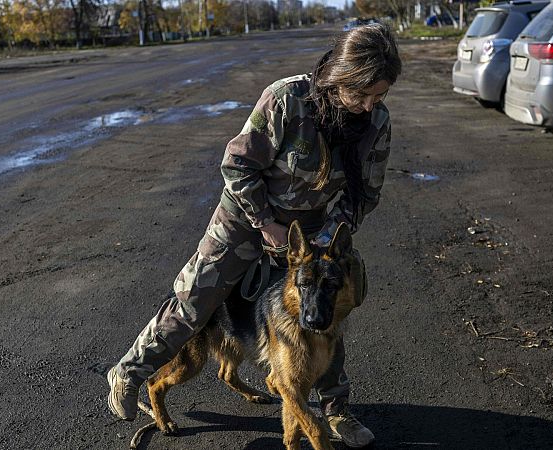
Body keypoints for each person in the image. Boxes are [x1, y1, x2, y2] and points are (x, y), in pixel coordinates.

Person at [107, 23, 402, 448]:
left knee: (326, 310)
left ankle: (336, 410)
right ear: (339, 76)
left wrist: (329, 236)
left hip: (312, 229)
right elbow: (237, 166)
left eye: (380, 96)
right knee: (195, 300)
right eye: (362, 94)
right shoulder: (286, 100)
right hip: (245, 218)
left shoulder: (375, 122)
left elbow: (365, 193)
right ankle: (129, 372)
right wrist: (266, 222)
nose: (369, 105)